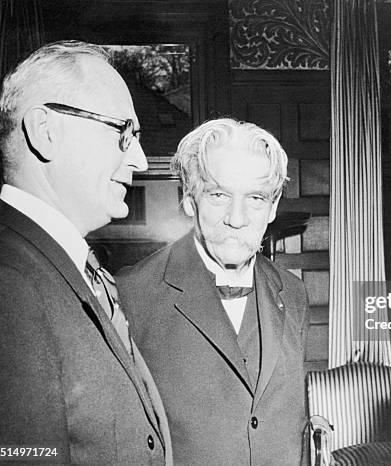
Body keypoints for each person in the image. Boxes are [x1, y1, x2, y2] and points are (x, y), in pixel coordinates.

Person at [0, 41, 172, 464]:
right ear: (45, 132)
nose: (142, 161)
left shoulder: (62, 268)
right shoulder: (5, 284)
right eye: (124, 132)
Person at [117, 118, 310, 465]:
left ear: (274, 205)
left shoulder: (293, 293)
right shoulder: (131, 294)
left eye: (255, 197)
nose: (237, 218)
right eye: (219, 195)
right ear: (190, 199)